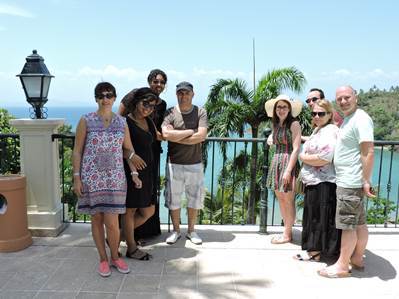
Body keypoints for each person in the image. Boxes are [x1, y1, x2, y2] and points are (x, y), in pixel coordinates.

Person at [73, 82, 140, 277]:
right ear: (96, 98)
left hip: (115, 178)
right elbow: (77, 151)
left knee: (112, 222)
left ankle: (115, 257)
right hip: (91, 178)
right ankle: (103, 259)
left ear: (114, 98)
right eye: (101, 96)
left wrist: (134, 173)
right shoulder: (86, 120)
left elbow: (128, 150)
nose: (105, 99)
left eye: (109, 95)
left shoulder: (122, 122)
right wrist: (77, 178)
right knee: (97, 219)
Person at [318, 85, 374, 278]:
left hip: (350, 182)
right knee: (359, 223)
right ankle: (357, 258)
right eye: (339, 98)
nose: (343, 101)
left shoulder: (361, 119)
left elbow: (368, 152)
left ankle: (342, 266)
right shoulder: (349, 119)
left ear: (355, 97)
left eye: (347, 97)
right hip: (350, 180)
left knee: (347, 226)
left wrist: (365, 180)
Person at [118, 69, 168, 240]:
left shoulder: (150, 117)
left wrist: (189, 134)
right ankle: (128, 242)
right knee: (131, 207)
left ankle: (119, 237)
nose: (158, 85)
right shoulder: (127, 119)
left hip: (149, 159)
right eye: (156, 81)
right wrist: (131, 158)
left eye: (162, 82)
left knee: (147, 207)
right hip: (133, 162)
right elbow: (119, 133)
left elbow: (161, 135)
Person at [294, 99, 341, 262]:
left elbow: (325, 157)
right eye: (314, 113)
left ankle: (317, 252)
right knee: (313, 215)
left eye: (321, 113)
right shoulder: (318, 130)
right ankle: (316, 250)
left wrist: (302, 157)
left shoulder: (331, 130)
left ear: (329, 114)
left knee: (319, 217)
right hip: (314, 180)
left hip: (324, 181)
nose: (317, 116)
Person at [162, 81, 208, 245]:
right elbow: (166, 134)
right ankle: (176, 231)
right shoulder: (170, 112)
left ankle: (191, 231)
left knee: (194, 198)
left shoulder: (200, 112)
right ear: (176, 94)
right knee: (173, 199)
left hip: (195, 163)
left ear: (192, 94)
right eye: (180, 93)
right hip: (174, 163)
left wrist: (178, 135)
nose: (183, 96)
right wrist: (190, 132)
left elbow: (201, 136)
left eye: (186, 93)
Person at [122, 87, 161, 260]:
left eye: (152, 106)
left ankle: (117, 238)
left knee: (148, 211)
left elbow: (158, 137)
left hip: (148, 173)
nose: (148, 108)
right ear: (136, 102)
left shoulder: (149, 121)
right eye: (145, 103)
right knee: (130, 211)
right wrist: (131, 155)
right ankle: (131, 248)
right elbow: (118, 147)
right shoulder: (125, 122)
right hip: (132, 173)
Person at [264, 94, 302, 244]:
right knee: (280, 198)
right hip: (277, 161)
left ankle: (287, 234)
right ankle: (286, 230)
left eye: (284, 107)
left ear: (289, 109)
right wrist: (270, 138)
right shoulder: (276, 124)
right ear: (275, 109)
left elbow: (296, 148)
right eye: (279, 107)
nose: (281, 110)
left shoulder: (294, 124)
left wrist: (288, 170)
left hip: (287, 162)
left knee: (288, 199)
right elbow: (273, 138)